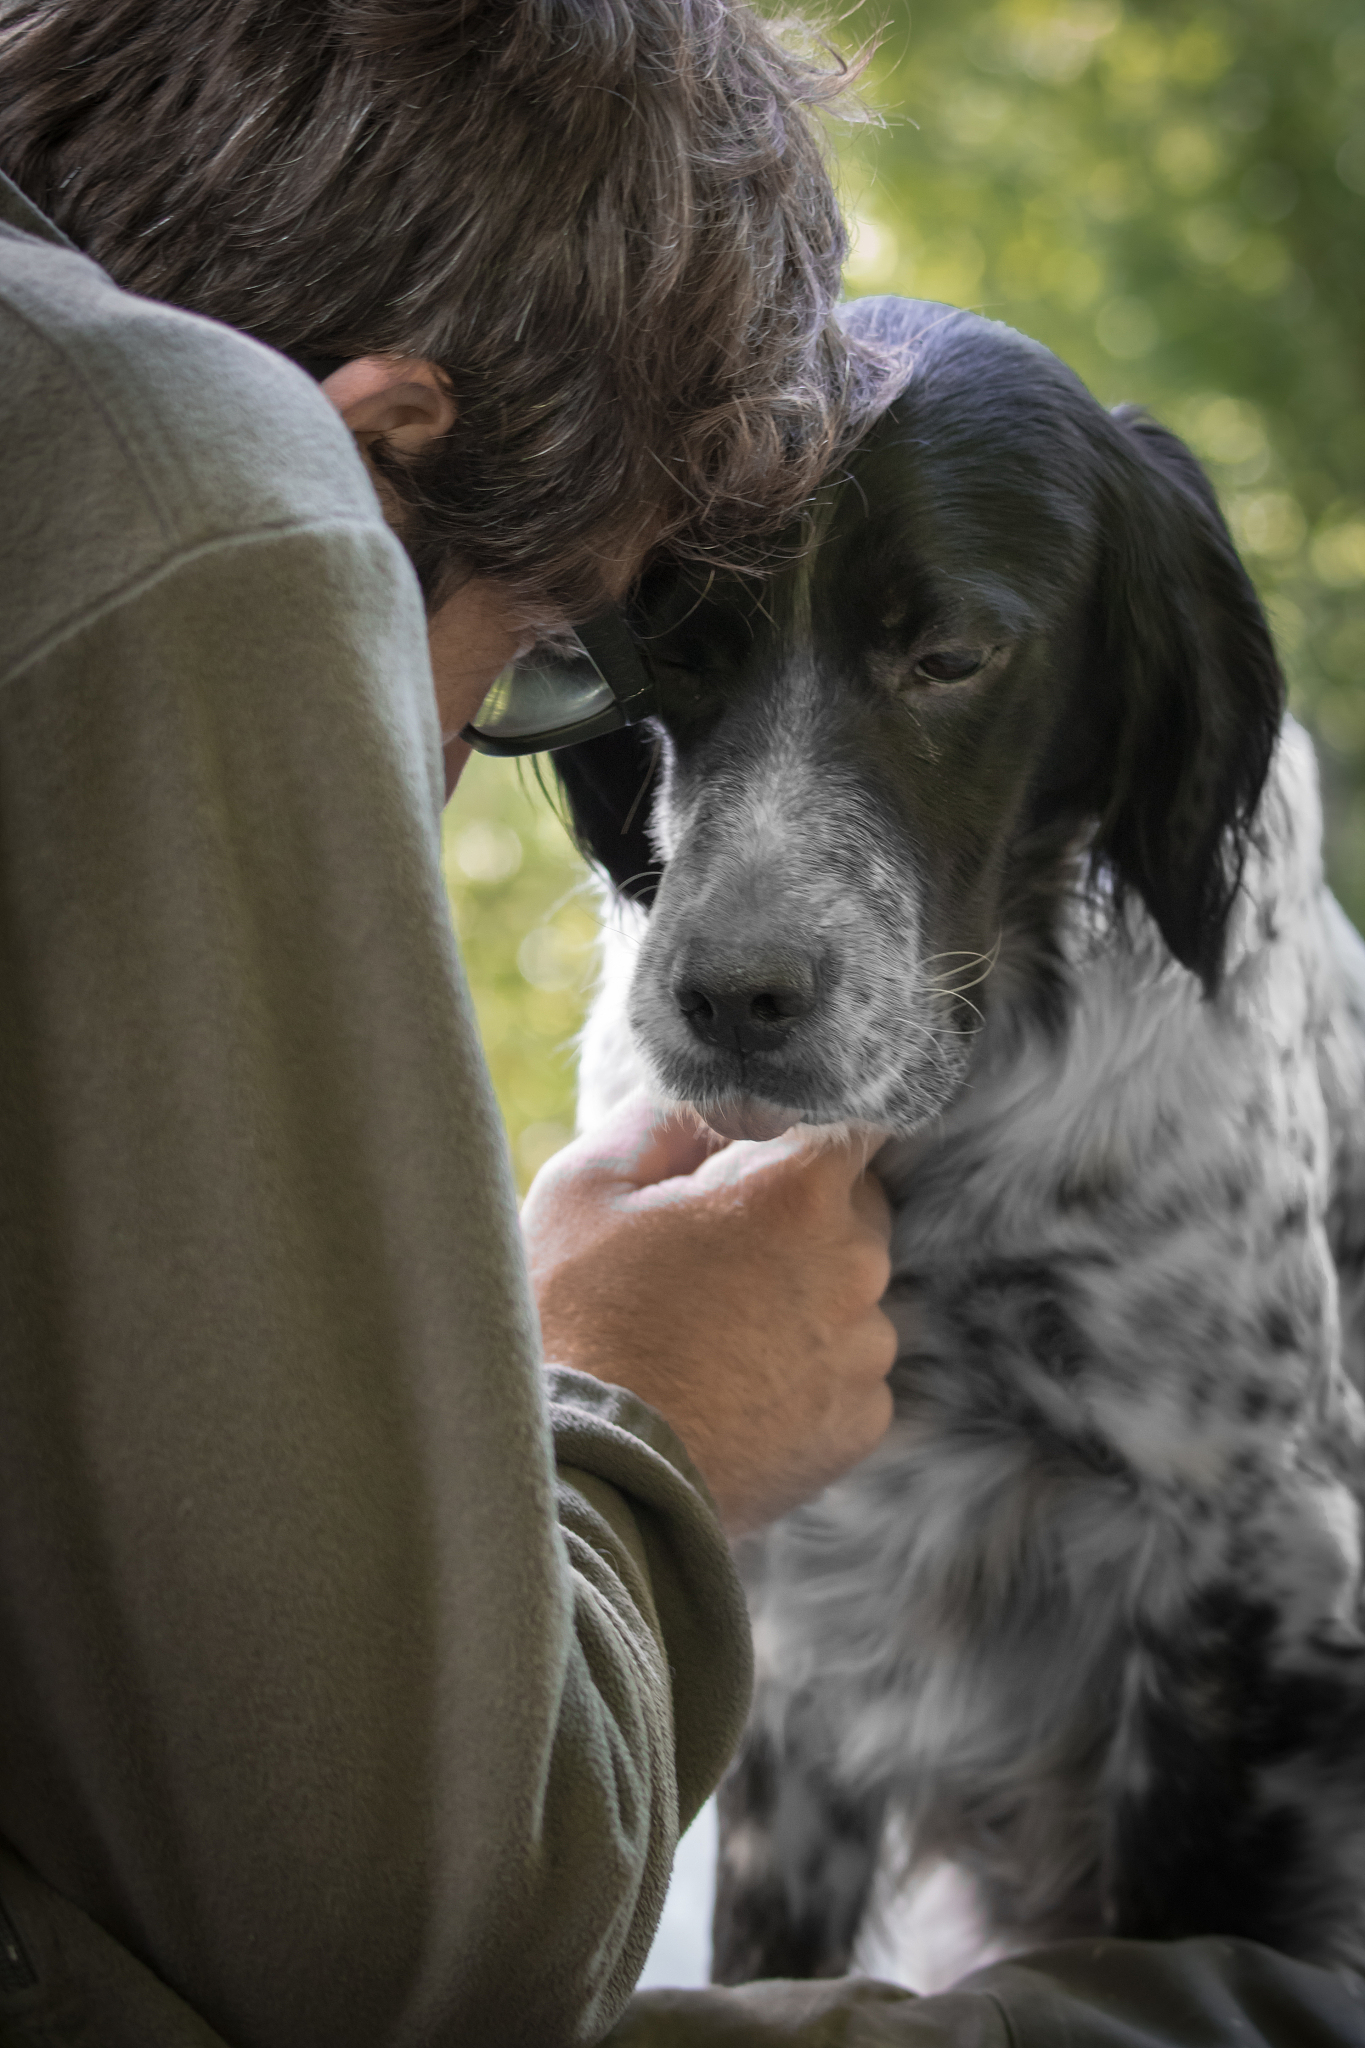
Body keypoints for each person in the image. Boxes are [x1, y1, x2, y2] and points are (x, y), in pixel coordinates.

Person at [0, 5, 1361, 2047]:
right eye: (569, 660)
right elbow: (380, 1965)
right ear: (368, 448)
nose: (468, 765)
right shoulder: (182, 513)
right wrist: (619, 1426)